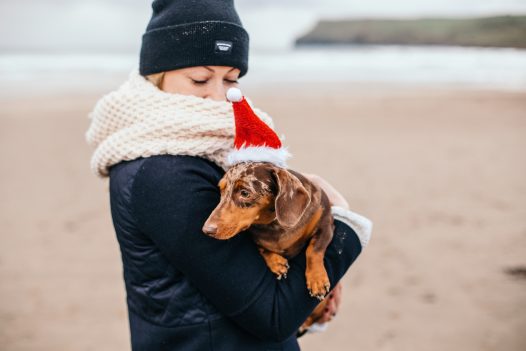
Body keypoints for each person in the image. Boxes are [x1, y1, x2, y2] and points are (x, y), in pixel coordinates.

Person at [85, 1, 372, 350]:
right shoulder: (165, 172)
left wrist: (312, 289)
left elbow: (239, 287)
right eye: (200, 79)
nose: (219, 97)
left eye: (232, 79)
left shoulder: (204, 151)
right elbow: (273, 314)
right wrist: (340, 218)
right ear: (157, 75)